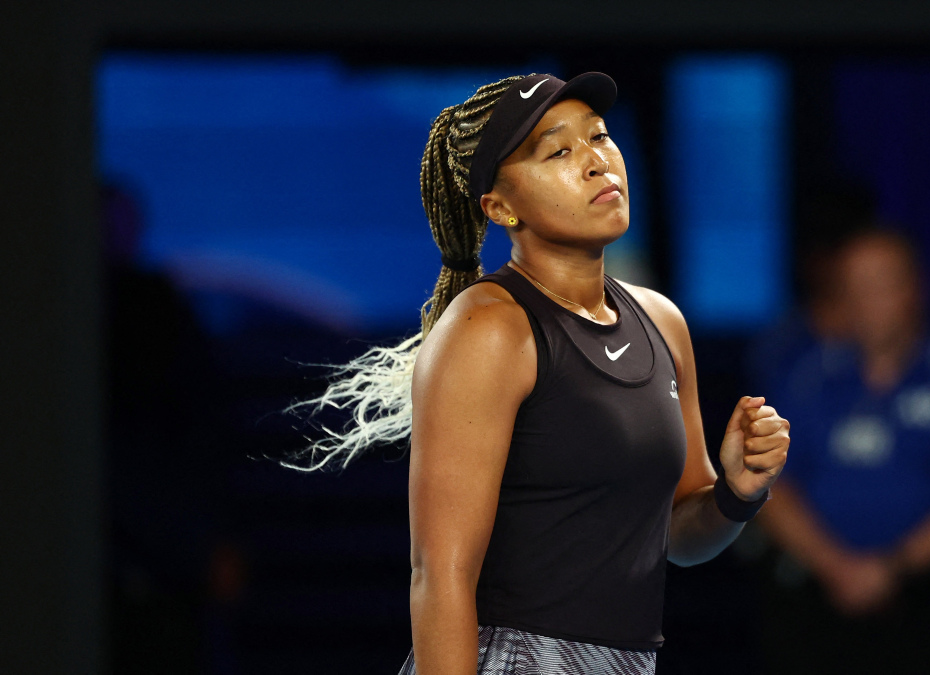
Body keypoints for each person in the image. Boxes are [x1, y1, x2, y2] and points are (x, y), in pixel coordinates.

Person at [288, 72, 790, 675]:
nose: (596, 161)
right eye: (559, 151)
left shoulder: (662, 321)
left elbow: (680, 540)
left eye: (600, 137)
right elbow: (440, 574)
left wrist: (736, 494)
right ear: (500, 207)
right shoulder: (489, 328)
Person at [755, 229, 930, 675]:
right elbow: (767, 487)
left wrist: (893, 569)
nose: (868, 301)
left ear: (916, 289)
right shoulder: (805, 379)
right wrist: (836, 567)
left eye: (881, 284)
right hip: (817, 607)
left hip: (928, 608)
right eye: (854, 288)